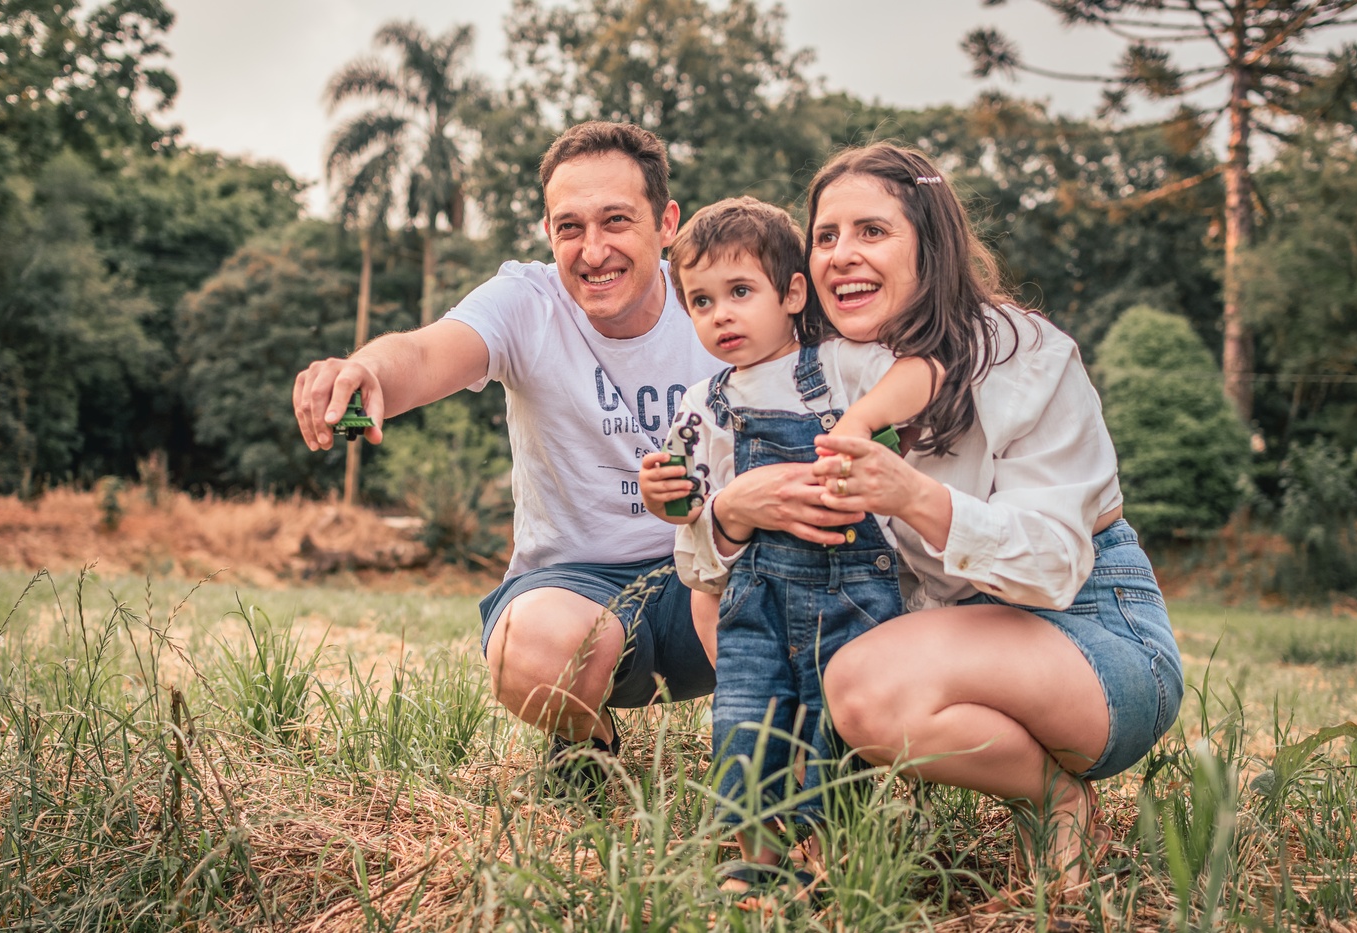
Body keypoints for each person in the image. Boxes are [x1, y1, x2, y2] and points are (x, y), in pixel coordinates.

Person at [680, 143, 1184, 907]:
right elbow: (705, 568)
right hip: (938, 640)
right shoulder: (810, 372)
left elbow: (1054, 567)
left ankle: (1056, 798)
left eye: (872, 231)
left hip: (1092, 634)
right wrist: (729, 512)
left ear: (931, 242)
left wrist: (913, 495)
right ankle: (791, 824)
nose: (842, 254)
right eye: (825, 236)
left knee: (863, 683)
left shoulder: (1020, 351)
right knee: (729, 602)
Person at [292, 121, 720, 791]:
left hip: (717, 570)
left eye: (616, 220)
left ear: (667, 223)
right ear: (548, 232)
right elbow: (426, 351)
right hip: (578, 585)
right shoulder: (526, 302)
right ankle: (585, 742)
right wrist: (366, 370)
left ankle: (784, 752)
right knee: (535, 650)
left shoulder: (720, 300)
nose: (594, 249)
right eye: (570, 227)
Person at [638, 196, 942, 900]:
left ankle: (840, 854)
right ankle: (758, 859)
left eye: (741, 292)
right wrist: (665, 496)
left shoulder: (838, 366)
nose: (721, 315)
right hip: (754, 598)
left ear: (793, 293)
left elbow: (923, 372)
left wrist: (862, 421)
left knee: (833, 727)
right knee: (746, 719)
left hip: (850, 592)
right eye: (702, 301)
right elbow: (691, 505)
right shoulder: (702, 403)